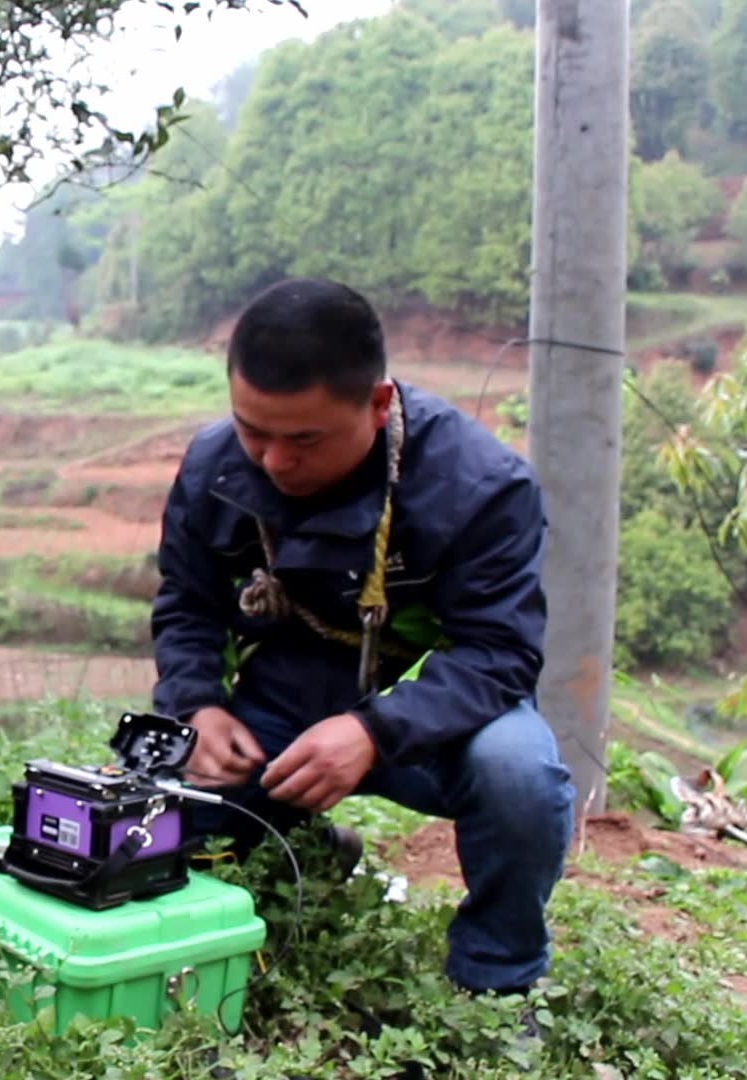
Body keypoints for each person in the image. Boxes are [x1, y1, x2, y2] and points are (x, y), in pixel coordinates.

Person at [151, 277, 574, 997]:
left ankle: (497, 983)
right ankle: (307, 850)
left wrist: (373, 731)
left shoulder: (481, 486)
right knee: (162, 815)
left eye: (304, 439)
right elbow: (188, 605)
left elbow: (498, 654)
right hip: (285, 705)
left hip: (437, 708)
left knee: (518, 775)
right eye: (253, 430)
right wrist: (198, 707)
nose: (273, 463)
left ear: (378, 405)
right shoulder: (216, 464)